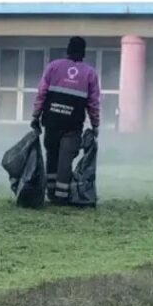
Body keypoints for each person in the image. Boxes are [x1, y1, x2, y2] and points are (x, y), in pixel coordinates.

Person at [31, 36, 100, 204]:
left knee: (52, 155)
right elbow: (93, 102)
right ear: (83, 53)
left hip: (51, 121)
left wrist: (35, 115)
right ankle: (62, 196)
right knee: (65, 159)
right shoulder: (89, 73)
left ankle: (51, 192)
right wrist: (95, 124)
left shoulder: (53, 67)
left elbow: (41, 93)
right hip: (73, 124)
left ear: (68, 50)